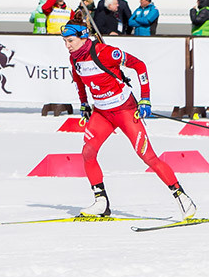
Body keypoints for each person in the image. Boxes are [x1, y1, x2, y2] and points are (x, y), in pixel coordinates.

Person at [62, 18, 195, 221]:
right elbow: (79, 82)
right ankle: (101, 202)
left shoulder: (105, 52)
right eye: (64, 41)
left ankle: (182, 197)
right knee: (88, 152)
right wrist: (84, 104)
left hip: (125, 110)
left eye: (70, 40)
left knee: (147, 156)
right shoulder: (75, 59)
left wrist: (145, 99)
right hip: (102, 113)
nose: (67, 45)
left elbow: (139, 65)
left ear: (83, 36)